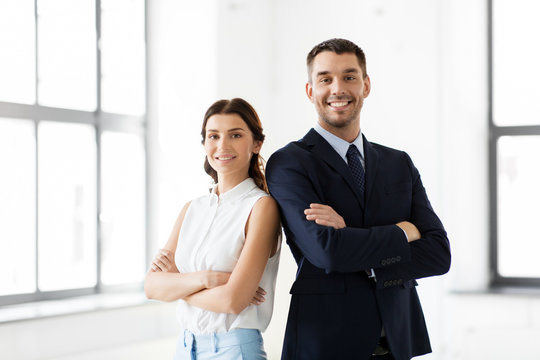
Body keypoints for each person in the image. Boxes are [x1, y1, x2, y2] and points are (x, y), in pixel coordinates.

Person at [266, 38, 451, 360]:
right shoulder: (289, 163)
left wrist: (352, 239)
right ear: (310, 91)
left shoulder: (399, 162)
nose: (338, 89)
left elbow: (438, 254)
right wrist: (402, 232)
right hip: (326, 343)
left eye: (349, 77)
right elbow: (328, 252)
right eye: (325, 79)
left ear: (366, 85)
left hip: (397, 341)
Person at [144, 98, 281, 360]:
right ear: (205, 143)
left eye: (235, 135)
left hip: (233, 349)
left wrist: (176, 287)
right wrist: (206, 279)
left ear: (256, 143)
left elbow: (232, 301)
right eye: (213, 136)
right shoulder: (191, 209)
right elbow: (151, 287)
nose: (222, 145)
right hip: (185, 347)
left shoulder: (262, 207)